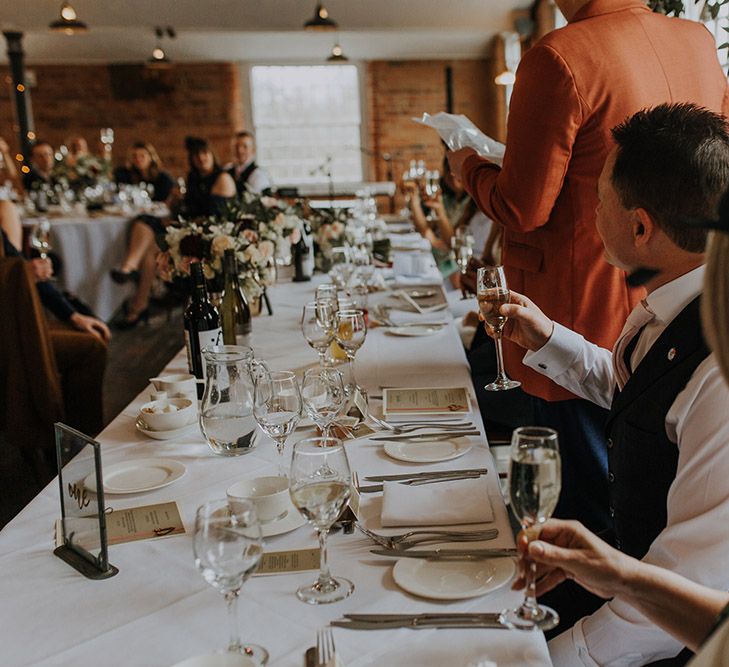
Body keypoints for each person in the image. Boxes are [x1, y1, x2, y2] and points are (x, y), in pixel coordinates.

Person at [448, 0, 729, 535]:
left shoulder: (559, 54)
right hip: (680, 290)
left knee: (584, 504)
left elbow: (523, 207)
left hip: (585, 293)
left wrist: (468, 166)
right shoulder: (696, 39)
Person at [493, 103, 729, 665]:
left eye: (598, 200)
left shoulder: (720, 370)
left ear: (641, 226)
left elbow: (684, 590)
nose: (592, 212)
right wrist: (548, 338)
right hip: (623, 574)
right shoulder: (671, 299)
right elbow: (642, 398)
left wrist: (550, 659)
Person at [110, 137, 236, 328]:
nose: (201, 158)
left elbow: (215, 216)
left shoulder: (222, 178)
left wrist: (179, 222)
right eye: (197, 156)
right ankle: (139, 304)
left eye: (205, 154)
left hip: (207, 232)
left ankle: (129, 269)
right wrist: (175, 200)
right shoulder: (194, 179)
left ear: (212, 155)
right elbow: (183, 207)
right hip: (186, 226)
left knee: (146, 223)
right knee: (150, 245)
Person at [224, 131, 272, 196]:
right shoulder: (226, 170)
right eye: (236, 146)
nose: (240, 150)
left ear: (253, 149)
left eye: (245, 146)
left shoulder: (259, 175)